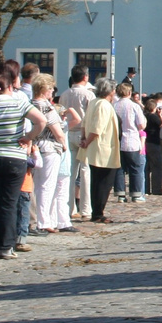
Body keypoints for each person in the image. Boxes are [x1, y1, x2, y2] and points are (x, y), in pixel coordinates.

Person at [0, 65, 45, 259]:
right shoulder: (18, 104)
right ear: (10, 87)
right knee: (10, 202)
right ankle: (7, 246)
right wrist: (28, 137)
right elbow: (41, 121)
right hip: (14, 157)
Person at [30, 75, 70, 232]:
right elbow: (57, 132)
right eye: (51, 88)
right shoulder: (46, 107)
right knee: (47, 185)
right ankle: (44, 221)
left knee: (36, 186)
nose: (52, 91)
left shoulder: (30, 103)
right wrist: (64, 145)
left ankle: (39, 219)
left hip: (35, 147)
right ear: (44, 89)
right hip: (49, 148)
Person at [78, 79, 120, 221]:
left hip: (95, 147)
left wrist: (84, 138)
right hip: (102, 148)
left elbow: (84, 122)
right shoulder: (103, 104)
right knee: (104, 182)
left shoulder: (94, 102)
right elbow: (97, 128)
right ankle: (98, 212)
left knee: (96, 181)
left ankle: (97, 211)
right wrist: (87, 141)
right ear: (110, 91)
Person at [59, 65, 94, 220]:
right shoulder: (88, 94)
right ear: (85, 77)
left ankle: (70, 207)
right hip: (82, 133)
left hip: (68, 132)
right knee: (85, 171)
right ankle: (86, 209)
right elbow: (91, 116)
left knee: (70, 173)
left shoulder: (64, 94)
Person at [112, 82, 145, 204]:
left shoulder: (114, 105)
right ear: (129, 93)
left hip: (118, 140)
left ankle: (120, 194)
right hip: (131, 140)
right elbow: (141, 125)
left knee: (119, 168)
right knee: (135, 168)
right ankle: (136, 194)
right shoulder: (134, 106)